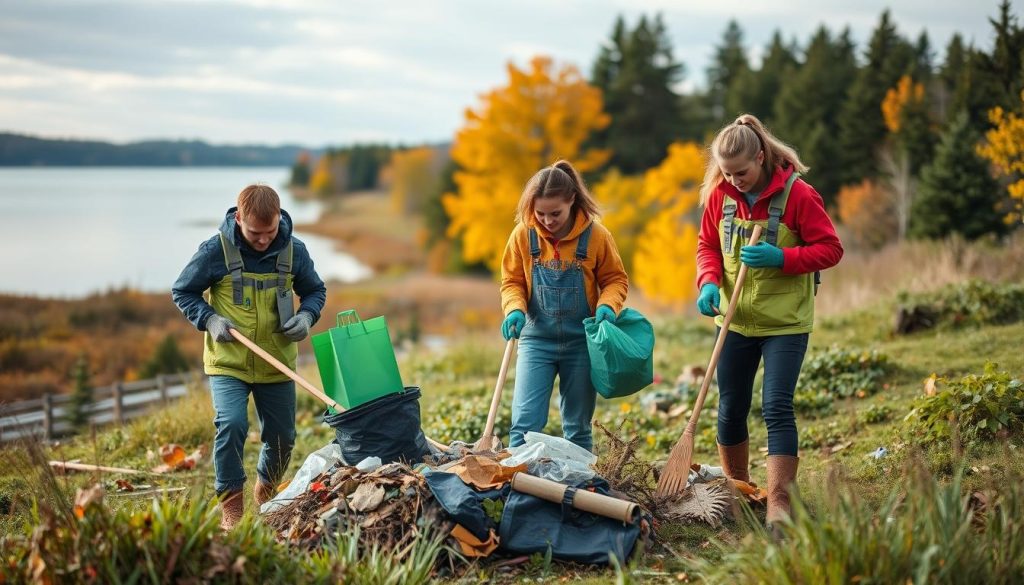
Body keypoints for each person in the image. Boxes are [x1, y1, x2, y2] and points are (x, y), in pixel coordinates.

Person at [695, 114, 843, 531]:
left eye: (741, 172)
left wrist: (784, 259)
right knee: (730, 409)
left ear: (760, 157)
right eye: (725, 173)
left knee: (776, 405)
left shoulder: (799, 195)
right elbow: (707, 246)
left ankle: (779, 502)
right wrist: (708, 283)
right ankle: (739, 491)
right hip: (735, 321)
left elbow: (831, 249)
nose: (734, 180)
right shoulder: (719, 196)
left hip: (785, 323)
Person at [172, 184, 326, 530]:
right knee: (232, 424)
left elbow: (315, 291)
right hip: (230, 363)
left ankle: (265, 489)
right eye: (255, 233)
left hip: (277, 362)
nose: (263, 240)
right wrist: (209, 319)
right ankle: (232, 508)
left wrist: (307, 317)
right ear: (239, 218)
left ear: (279, 219)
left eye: (270, 232)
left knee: (283, 437)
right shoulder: (215, 251)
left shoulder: (294, 251)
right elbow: (183, 291)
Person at [499, 160, 629, 452]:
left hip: (582, 343)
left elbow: (615, 280)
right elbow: (511, 281)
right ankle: (519, 486)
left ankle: (580, 489)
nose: (547, 220)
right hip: (536, 341)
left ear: (572, 201)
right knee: (524, 423)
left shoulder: (597, 236)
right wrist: (514, 309)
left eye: (555, 213)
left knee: (578, 427)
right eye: (540, 213)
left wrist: (608, 305)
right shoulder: (523, 234)